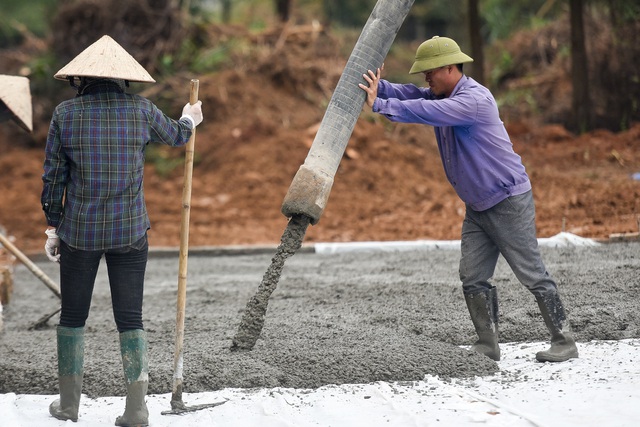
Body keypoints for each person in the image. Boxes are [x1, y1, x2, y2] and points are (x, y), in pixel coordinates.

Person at [358, 35, 578, 363]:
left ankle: (564, 341)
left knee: (531, 273)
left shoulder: (472, 100)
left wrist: (380, 104)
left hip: (507, 201)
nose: (426, 78)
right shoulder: (442, 93)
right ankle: (488, 344)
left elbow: (425, 110)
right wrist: (381, 87)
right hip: (478, 205)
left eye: (430, 72)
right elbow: (414, 94)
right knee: (472, 275)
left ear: (450, 68)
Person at [41, 35, 203, 425]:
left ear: (80, 80)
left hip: (78, 233)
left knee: (72, 316)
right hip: (130, 232)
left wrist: (52, 226)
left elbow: (53, 178)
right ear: (124, 79)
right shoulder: (141, 109)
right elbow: (178, 136)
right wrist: (189, 118)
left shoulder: (65, 114)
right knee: (130, 318)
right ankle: (136, 410)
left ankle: (68, 406)